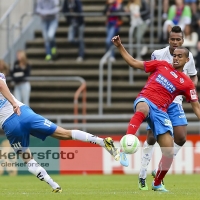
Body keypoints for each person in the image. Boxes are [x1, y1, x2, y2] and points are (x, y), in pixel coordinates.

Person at [0, 73, 120, 192]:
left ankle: (53, 184)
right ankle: (102, 142)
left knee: (27, 158)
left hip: (10, 124)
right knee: (64, 133)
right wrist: (14, 103)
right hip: (24, 113)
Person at [112, 35, 200, 192]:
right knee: (142, 109)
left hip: (161, 111)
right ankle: (123, 150)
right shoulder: (161, 65)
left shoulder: (186, 83)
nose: (176, 58)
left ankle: (157, 182)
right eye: (174, 55)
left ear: (187, 60)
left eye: (180, 56)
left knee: (168, 150)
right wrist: (120, 46)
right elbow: (133, 62)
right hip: (145, 99)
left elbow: (196, 107)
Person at [137, 25, 198, 191]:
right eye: (173, 39)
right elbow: (151, 75)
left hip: (176, 101)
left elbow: (193, 76)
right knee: (151, 137)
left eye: (179, 39)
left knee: (181, 137)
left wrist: (190, 89)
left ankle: (159, 170)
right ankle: (142, 172)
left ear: (183, 41)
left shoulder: (188, 56)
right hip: (158, 100)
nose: (176, 42)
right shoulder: (158, 54)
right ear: (168, 39)